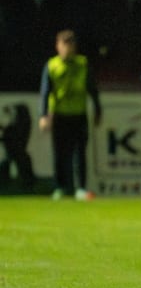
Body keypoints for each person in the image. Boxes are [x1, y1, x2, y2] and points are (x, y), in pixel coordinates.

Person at [38, 29, 101, 200]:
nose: (68, 48)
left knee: (80, 153)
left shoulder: (83, 63)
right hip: (59, 115)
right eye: (64, 44)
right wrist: (43, 115)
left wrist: (97, 110)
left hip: (79, 114)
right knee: (60, 153)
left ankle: (81, 188)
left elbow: (92, 89)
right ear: (58, 46)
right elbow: (45, 92)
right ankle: (60, 187)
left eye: (71, 44)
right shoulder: (52, 66)